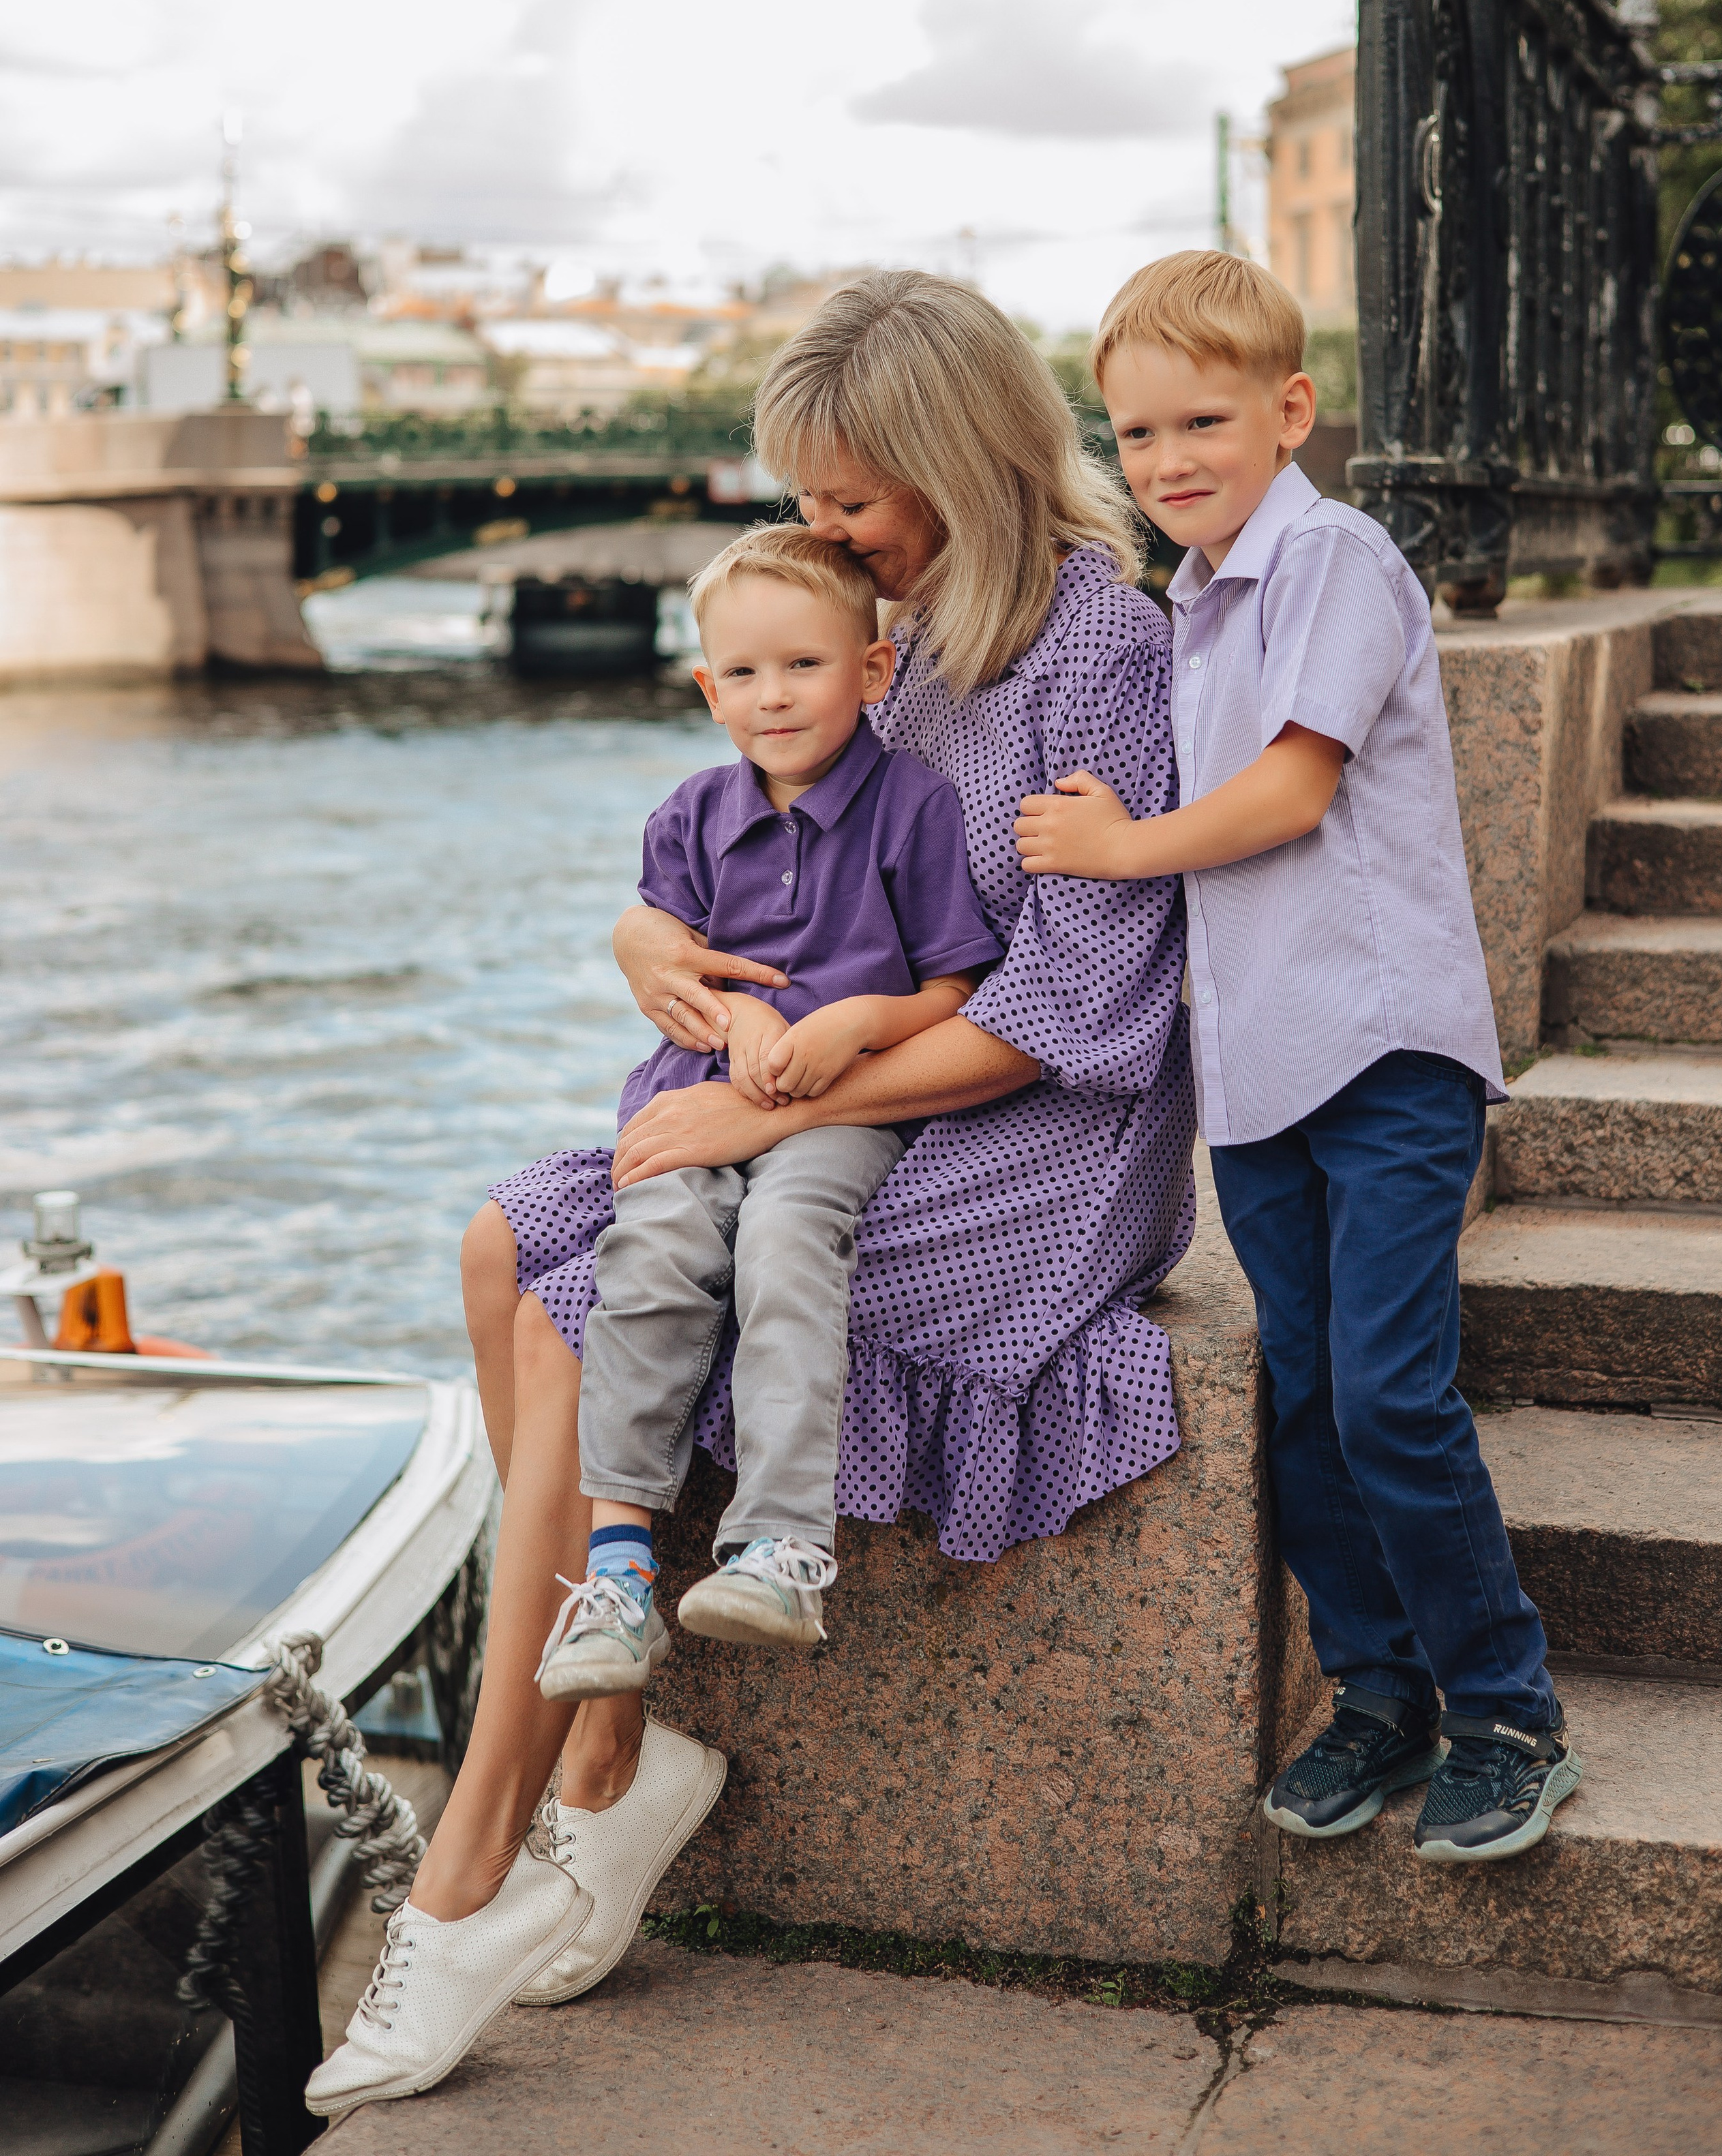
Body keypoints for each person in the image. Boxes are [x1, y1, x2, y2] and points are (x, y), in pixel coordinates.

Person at [309, 269, 1196, 2116]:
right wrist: (650, 935)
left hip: (1036, 1134)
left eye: (851, 499)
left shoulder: (1097, 648)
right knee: (505, 1239)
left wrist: (752, 1120)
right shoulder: (904, 619)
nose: (822, 533)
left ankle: (475, 1862)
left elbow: (1072, 1002)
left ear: (954, 461)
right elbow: (759, 816)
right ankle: (615, 1746)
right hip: (836, 1088)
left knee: (576, 1292)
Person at [1014, 247, 1582, 1866]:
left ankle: (1505, 1708)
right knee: (1306, 1399)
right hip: (1258, 1073)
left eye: (1199, 421)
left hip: (1382, 1051)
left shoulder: (1332, 558)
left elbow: (1290, 791)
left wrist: (1119, 851)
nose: (1166, 460)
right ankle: (1376, 1692)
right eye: (1131, 437)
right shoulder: (1185, 603)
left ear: (1289, 410)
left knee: (1392, 1395)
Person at [537, 523, 1002, 1700]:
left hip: (842, 1106)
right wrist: (737, 1022)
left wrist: (862, 1021)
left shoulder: (916, 808)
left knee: (790, 1244)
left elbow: (955, 984)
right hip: (700, 1092)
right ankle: (620, 1574)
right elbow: (678, 967)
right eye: (743, 674)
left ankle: (786, 1546)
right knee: (649, 1253)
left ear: (874, 670)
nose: (774, 695)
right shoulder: (691, 818)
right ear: (708, 691)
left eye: (804, 664)